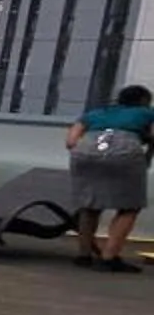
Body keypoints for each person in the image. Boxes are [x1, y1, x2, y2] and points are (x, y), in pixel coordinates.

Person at [66, 82, 154, 272]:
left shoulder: (95, 113)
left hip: (85, 151)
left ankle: (84, 255)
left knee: (89, 205)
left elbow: (71, 141)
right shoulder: (147, 113)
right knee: (129, 207)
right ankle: (109, 257)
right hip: (125, 151)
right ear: (144, 101)